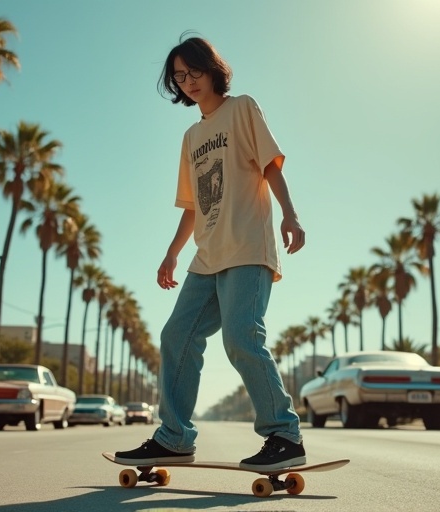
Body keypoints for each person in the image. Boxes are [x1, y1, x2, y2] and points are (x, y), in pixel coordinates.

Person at [115, 35, 306, 471]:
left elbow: (271, 166)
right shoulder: (191, 136)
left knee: (241, 338)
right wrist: (171, 254)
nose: (187, 82)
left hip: (247, 249)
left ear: (212, 68)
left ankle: (283, 435)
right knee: (176, 337)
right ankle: (175, 438)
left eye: (193, 71)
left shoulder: (242, 108)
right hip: (206, 257)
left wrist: (290, 216)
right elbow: (193, 207)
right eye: (179, 77)